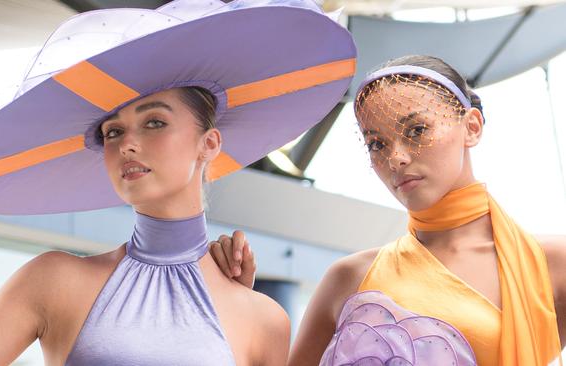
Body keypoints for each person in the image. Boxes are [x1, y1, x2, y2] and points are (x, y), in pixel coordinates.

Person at [0, 1, 357, 365]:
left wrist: (227, 298)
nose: (127, 144)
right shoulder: (54, 279)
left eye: (154, 122)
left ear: (209, 143)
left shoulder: (263, 318)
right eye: (113, 132)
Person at [210, 55, 566, 366]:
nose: (395, 157)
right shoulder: (348, 278)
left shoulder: (550, 264)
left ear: (471, 127)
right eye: (376, 143)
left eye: (416, 130)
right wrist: (241, 304)